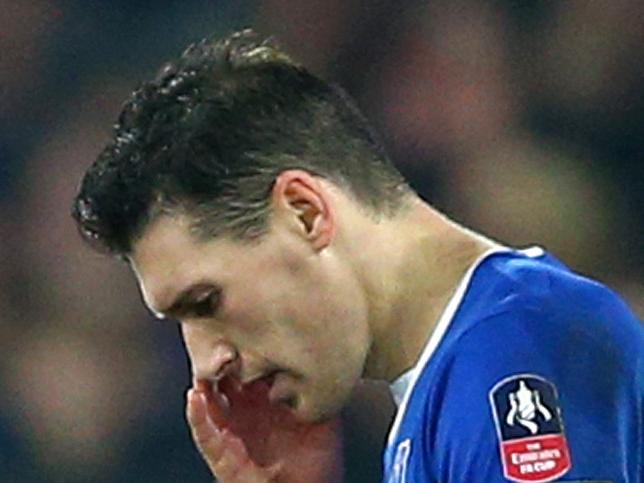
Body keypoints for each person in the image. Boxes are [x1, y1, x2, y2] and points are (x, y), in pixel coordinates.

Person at [72, 30, 643, 482]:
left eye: (206, 302)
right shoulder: (451, 379)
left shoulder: (517, 356)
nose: (205, 365)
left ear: (304, 213)